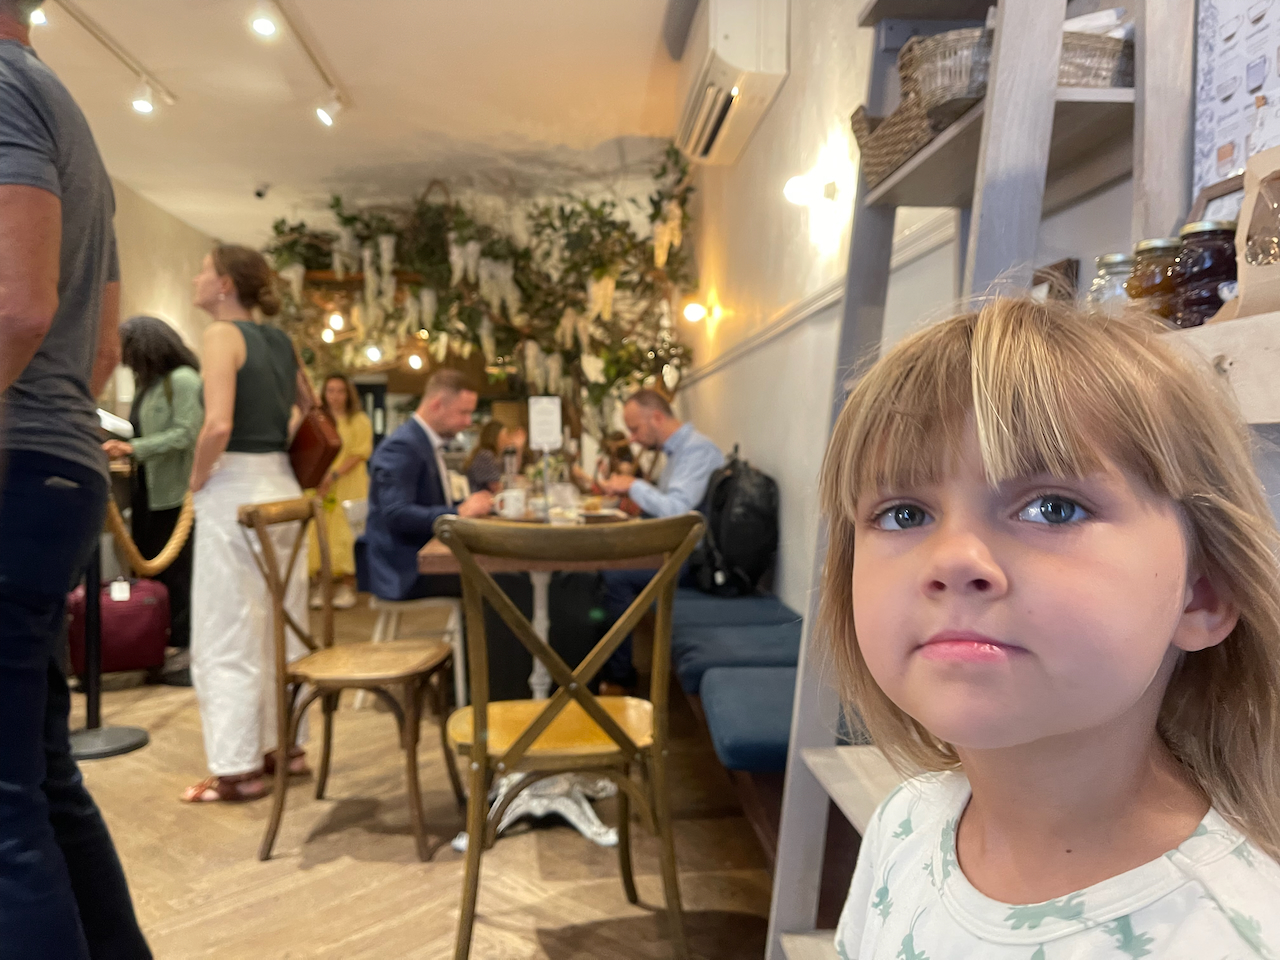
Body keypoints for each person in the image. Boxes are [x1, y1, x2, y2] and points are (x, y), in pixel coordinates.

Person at [825, 298, 1280, 957]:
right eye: (904, 515)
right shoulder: (906, 825)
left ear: (1202, 595)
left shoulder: (1234, 935)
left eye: (1053, 508)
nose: (953, 560)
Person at [0, 1, 152, 954]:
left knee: (5, 805)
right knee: (40, 779)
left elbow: (18, 308)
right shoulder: (66, 113)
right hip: (55, 463)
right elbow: (98, 350)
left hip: (14, 464)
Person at [184, 244, 312, 804]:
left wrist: (196, 479)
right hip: (282, 486)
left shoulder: (220, 335)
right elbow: (308, 406)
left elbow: (217, 424)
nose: (196, 279)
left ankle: (237, 768)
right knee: (282, 624)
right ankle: (288, 746)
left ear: (226, 285)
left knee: (228, 629)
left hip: (234, 490)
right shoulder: (281, 341)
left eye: (203, 270)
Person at [597, 389, 723, 691]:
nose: (633, 438)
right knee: (604, 562)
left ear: (656, 417)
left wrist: (633, 485)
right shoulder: (678, 452)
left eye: (635, 429)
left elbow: (678, 513)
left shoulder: (697, 451)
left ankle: (619, 678)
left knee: (613, 577)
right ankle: (603, 666)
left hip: (695, 562)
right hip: (679, 551)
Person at [103, 316, 203, 684]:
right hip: (147, 490)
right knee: (152, 571)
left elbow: (186, 433)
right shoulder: (148, 386)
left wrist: (134, 448)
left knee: (179, 575)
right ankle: (157, 646)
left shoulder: (184, 381)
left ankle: (186, 649)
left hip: (177, 495)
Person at [365, 369, 493, 601]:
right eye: (463, 412)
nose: (468, 422)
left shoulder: (422, 441)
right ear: (437, 405)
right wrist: (458, 512)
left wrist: (468, 505)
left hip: (418, 559)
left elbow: (427, 503)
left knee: (502, 574)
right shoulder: (402, 446)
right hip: (404, 571)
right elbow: (396, 514)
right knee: (503, 579)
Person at [307, 374, 372, 611]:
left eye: (340, 391)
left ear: (348, 394)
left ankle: (347, 585)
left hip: (348, 482)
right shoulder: (317, 419)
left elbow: (360, 452)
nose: (335, 396)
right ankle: (321, 586)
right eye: (331, 390)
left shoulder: (359, 420)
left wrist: (333, 475)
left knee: (346, 534)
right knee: (318, 533)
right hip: (318, 484)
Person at [463, 419, 506, 494]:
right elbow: (496, 487)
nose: (506, 440)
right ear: (495, 437)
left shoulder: (488, 454)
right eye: (504, 436)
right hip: (479, 498)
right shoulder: (485, 456)